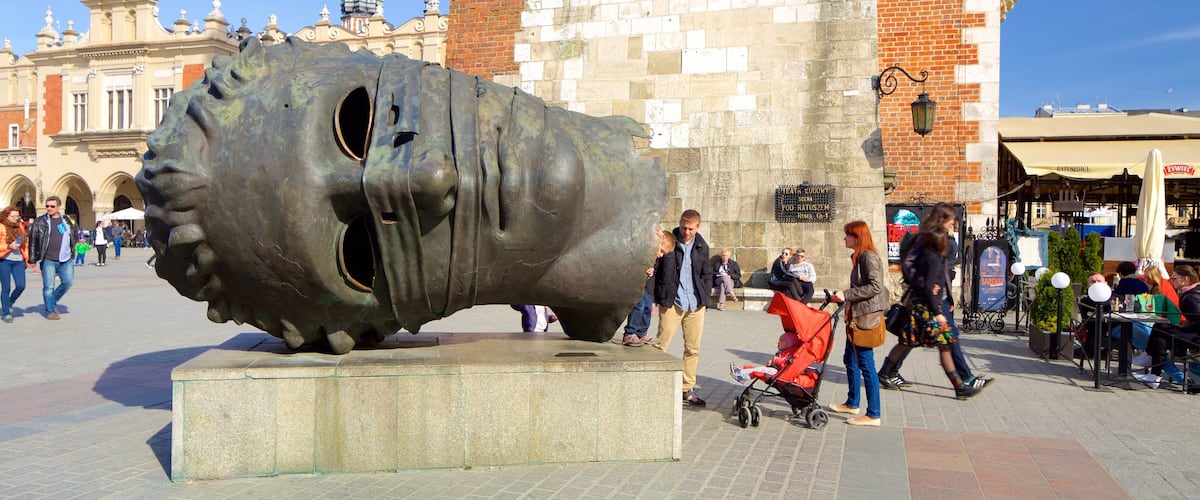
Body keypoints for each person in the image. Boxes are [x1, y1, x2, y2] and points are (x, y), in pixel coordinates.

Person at [879, 205, 990, 392]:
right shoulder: (931, 249)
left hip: (926, 301)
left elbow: (934, 276)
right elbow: (929, 281)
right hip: (929, 304)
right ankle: (962, 384)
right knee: (944, 342)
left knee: (911, 340)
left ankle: (886, 372)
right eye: (950, 220)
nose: (953, 223)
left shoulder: (928, 243)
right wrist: (937, 309)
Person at [828, 221, 887, 425]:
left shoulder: (868, 257)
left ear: (857, 237)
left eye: (847, 235)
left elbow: (875, 287)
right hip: (856, 316)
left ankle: (874, 413)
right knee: (850, 359)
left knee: (866, 363)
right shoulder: (860, 257)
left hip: (866, 318)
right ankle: (853, 402)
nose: (844, 238)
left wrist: (846, 294)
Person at [652, 209, 713, 407]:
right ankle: (653, 385)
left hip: (695, 304)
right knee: (661, 345)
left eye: (691, 228)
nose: (686, 231)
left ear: (698, 227)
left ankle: (686, 388)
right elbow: (656, 269)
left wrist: (705, 292)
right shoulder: (669, 241)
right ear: (679, 223)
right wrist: (655, 298)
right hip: (672, 302)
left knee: (692, 349)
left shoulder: (702, 246)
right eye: (684, 227)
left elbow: (706, 273)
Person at [1142, 265, 1200, 388]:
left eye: (1174, 278)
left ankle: (1149, 360)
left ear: (1185, 279)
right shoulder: (1191, 293)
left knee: (1160, 327)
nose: (1171, 281)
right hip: (1193, 334)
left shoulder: (1191, 297)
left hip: (1195, 338)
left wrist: (1184, 328)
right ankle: (1154, 376)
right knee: (1160, 337)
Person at [27, 196, 79, 320]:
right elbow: (33, 240)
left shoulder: (66, 220)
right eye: (47, 206)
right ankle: (50, 310)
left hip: (65, 258)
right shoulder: (40, 221)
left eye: (52, 206)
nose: (49, 208)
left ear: (58, 207)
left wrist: (73, 246)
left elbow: (73, 234)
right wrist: (32, 259)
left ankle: (52, 300)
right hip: (48, 259)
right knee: (48, 286)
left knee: (68, 282)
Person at [622, 230, 675, 346]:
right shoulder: (645, 249)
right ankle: (630, 332)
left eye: (663, 253)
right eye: (661, 250)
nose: (661, 255)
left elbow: (653, 272)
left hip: (647, 286)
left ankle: (641, 332)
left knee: (647, 305)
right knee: (639, 305)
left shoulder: (655, 258)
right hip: (638, 284)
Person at [729, 332, 802, 382]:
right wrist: (772, 363)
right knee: (759, 369)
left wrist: (776, 361)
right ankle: (741, 372)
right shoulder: (783, 352)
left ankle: (741, 376)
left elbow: (786, 364)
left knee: (761, 370)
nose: (778, 342)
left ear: (790, 344)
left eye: (781, 340)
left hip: (780, 374)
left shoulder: (791, 354)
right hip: (776, 371)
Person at [0, 206, 30, 323]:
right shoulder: (1, 227)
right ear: (6, 216)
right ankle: (6, 313)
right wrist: (8, 246)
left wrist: (26, 258)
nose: (15, 218)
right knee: (6, 287)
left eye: (17, 216)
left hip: (18, 260)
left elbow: (24, 244)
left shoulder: (20, 227)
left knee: (21, 285)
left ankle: (9, 303)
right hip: (4, 260)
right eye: (12, 216)